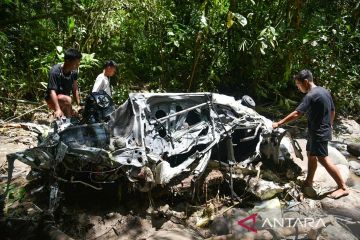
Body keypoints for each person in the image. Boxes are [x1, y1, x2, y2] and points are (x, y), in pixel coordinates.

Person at [272, 69, 349, 199]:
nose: (298, 88)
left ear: (306, 81)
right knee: (311, 155)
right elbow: (332, 110)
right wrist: (329, 125)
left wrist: (279, 123)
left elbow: (297, 113)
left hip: (319, 132)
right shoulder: (324, 91)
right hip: (317, 131)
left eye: (299, 84)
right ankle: (309, 181)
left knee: (323, 159)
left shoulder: (311, 95)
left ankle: (342, 187)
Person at [45, 48, 82, 118]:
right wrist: (57, 109)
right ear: (68, 61)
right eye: (76, 62)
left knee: (75, 116)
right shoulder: (55, 71)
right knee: (67, 100)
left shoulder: (74, 72)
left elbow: (75, 88)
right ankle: (66, 121)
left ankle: (67, 118)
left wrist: (79, 104)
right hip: (52, 99)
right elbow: (52, 91)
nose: (78, 64)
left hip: (65, 99)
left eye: (79, 62)